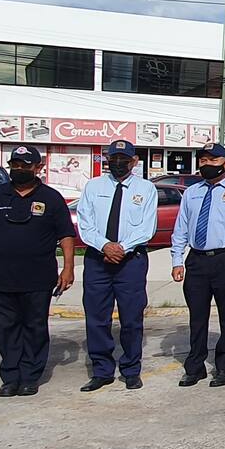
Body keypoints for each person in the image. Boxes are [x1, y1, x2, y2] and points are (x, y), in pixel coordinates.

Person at [0, 145, 75, 397]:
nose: (20, 169)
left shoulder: (51, 198)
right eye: (15, 164)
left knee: (34, 327)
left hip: (37, 277)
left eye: (26, 165)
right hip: (0, 276)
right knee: (5, 329)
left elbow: (66, 235)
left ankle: (30, 376)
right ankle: (10, 376)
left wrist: (68, 268)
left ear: (38, 168)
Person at [170, 142, 225, 388]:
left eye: (213, 160)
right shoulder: (192, 192)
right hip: (197, 260)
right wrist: (178, 260)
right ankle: (195, 367)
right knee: (197, 317)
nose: (206, 164)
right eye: (203, 160)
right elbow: (181, 228)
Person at [74, 140, 158, 393]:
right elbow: (85, 223)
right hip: (98, 260)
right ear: (107, 159)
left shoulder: (146, 189)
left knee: (131, 318)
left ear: (134, 162)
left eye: (124, 158)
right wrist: (105, 246)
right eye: (114, 157)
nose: (118, 162)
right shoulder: (93, 186)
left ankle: (131, 370)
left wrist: (121, 248)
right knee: (97, 318)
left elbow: (147, 228)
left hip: (130, 261)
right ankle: (102, 371)